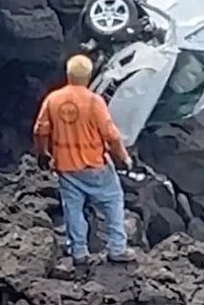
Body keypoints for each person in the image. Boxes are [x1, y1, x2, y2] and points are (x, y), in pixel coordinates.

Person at [32, 54, 136, 266]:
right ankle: (117, 248)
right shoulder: (93, 101)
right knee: (113, 201)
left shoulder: (53, 99)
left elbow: (39, 130)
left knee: (73, 208)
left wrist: (42, 154)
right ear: (88, 76)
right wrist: (123, 158)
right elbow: (112, 136)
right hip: (95, 166)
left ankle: (78, 252)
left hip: (66, 167)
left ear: (68, 75)